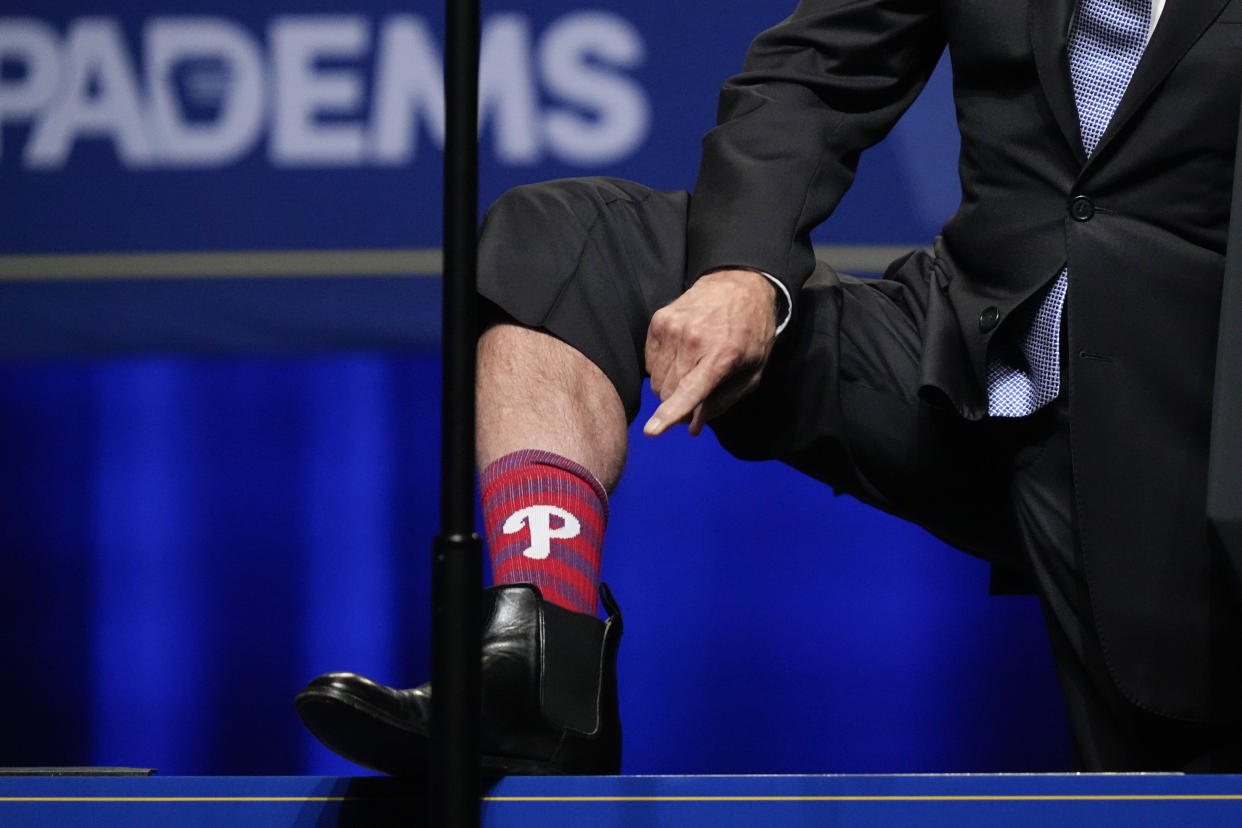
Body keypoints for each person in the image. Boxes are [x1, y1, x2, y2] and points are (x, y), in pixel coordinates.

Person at [296, 0, 1242, 773]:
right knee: (568, 236)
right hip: (969, 358)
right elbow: (815, 72)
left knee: (1157, 776)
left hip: (1192, 422)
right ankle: (541, 664)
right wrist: (746, 272)